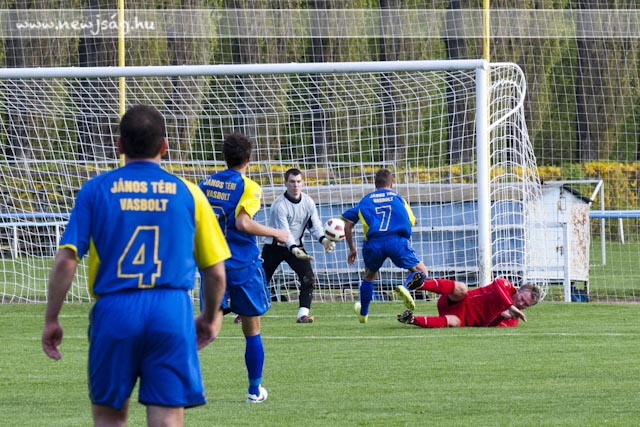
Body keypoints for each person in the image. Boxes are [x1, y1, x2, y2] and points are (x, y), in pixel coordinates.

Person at [41, 104, 229, 427]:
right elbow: (215, 272)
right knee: (167, 419)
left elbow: (66, 260)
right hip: (171, 310)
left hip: (115, 310)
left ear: (119, 145)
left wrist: (51, 319)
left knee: (109, 419)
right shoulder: (190, 193)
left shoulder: (95, 190)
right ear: (164, 146)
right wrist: (211, 318)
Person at [199, 132, 288, 403]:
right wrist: (276, 232)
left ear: (224, 156)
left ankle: (168, 374)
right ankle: (254, 390)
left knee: (208, 328)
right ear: (249, 158)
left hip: (212, 264)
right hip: (241, 266)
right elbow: (243, 223)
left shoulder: (205, 184)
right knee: (252, 327)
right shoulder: (249, 187)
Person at [342, 168, 429, 323]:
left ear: (375, 184)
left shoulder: (365, 200)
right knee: (421, 271)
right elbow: (412, 220)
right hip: (396, 241)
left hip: (374, 243)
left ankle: (363, 313)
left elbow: (347, 226)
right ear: (392, 183)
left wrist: (352, 249)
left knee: (369, 276)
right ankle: (405, 287)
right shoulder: (398, 199)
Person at [261, 168, 336, 324]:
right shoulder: (279, 205)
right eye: (292, 182)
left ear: (302, 183)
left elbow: (315, 226)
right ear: (285, 183)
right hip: (274, 247)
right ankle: (244, 314)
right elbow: (285, 232)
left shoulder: (308, 202)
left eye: (298, 181)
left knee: (308, 278)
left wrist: (324, 240)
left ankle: (303, 314)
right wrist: (294, 249)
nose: (295, 185)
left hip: (295, 247)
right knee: (260, 280)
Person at [397, 277, 541, 327]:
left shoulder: (512, 320)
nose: (521, 304)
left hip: (462, 318)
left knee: (454, 322)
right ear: (519, 290)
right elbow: (497, 283)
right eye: (522, 299)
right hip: (458, 301)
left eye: (526, 305)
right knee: (462, 288)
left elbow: (486, 326)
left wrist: (500, 316)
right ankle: (418, 285)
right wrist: (510, 306)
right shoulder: (506, 286)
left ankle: (410, 319)